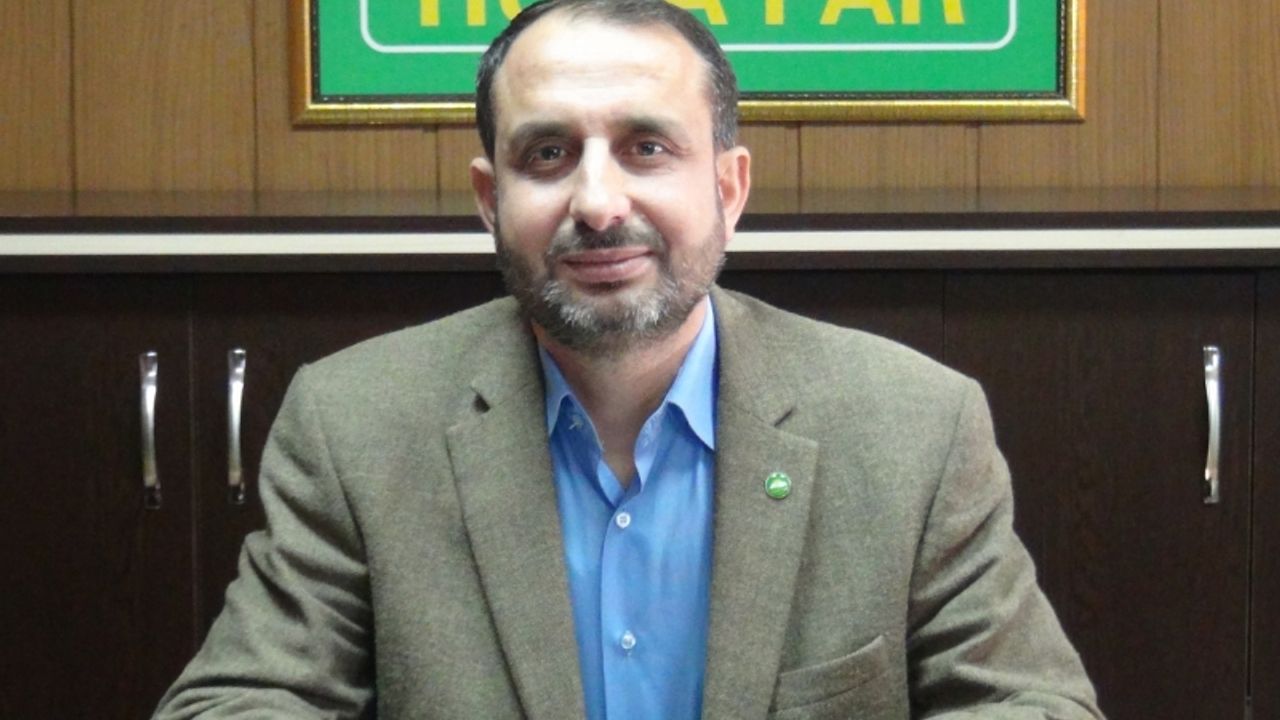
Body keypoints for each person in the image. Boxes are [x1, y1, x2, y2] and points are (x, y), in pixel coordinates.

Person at [154, 1, 1102, 717]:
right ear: (489, 199)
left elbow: (1031, 704)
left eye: (646, 147)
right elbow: (241, 700)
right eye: (548, 155)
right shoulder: (354, 423)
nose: (599, 203)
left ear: (728, 188)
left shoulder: (913, 425)